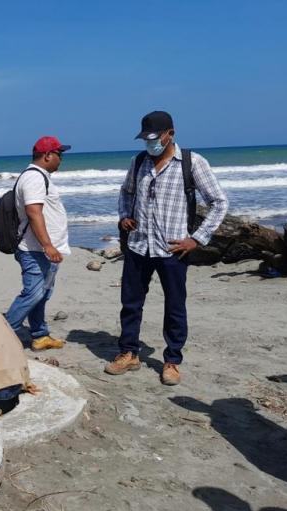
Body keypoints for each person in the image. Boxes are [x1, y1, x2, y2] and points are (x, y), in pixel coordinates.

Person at [105, 111, 228, 385]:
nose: (150, 144)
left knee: (175, 306)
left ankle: (172, 360)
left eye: (155, 138)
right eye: (145, 139)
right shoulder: (138, 162)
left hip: (173, 250)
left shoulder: (192, 163)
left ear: (170, 133)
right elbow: (126, 192)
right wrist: (124, 216)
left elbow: (219, 202)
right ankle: (128, 352)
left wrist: (196, 239)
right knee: (131, 303)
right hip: (138, 246)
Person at [4, 136, 72, 351]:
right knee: (33, 293)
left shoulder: (40, 177)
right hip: (35, 250)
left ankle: (40, 335)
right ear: (48, 155)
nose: (61, 159)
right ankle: (1, 336)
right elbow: (34, 212)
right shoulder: (34, 178)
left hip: (43, 249)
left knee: (42, 294)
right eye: (59, 155)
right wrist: (48, 245)